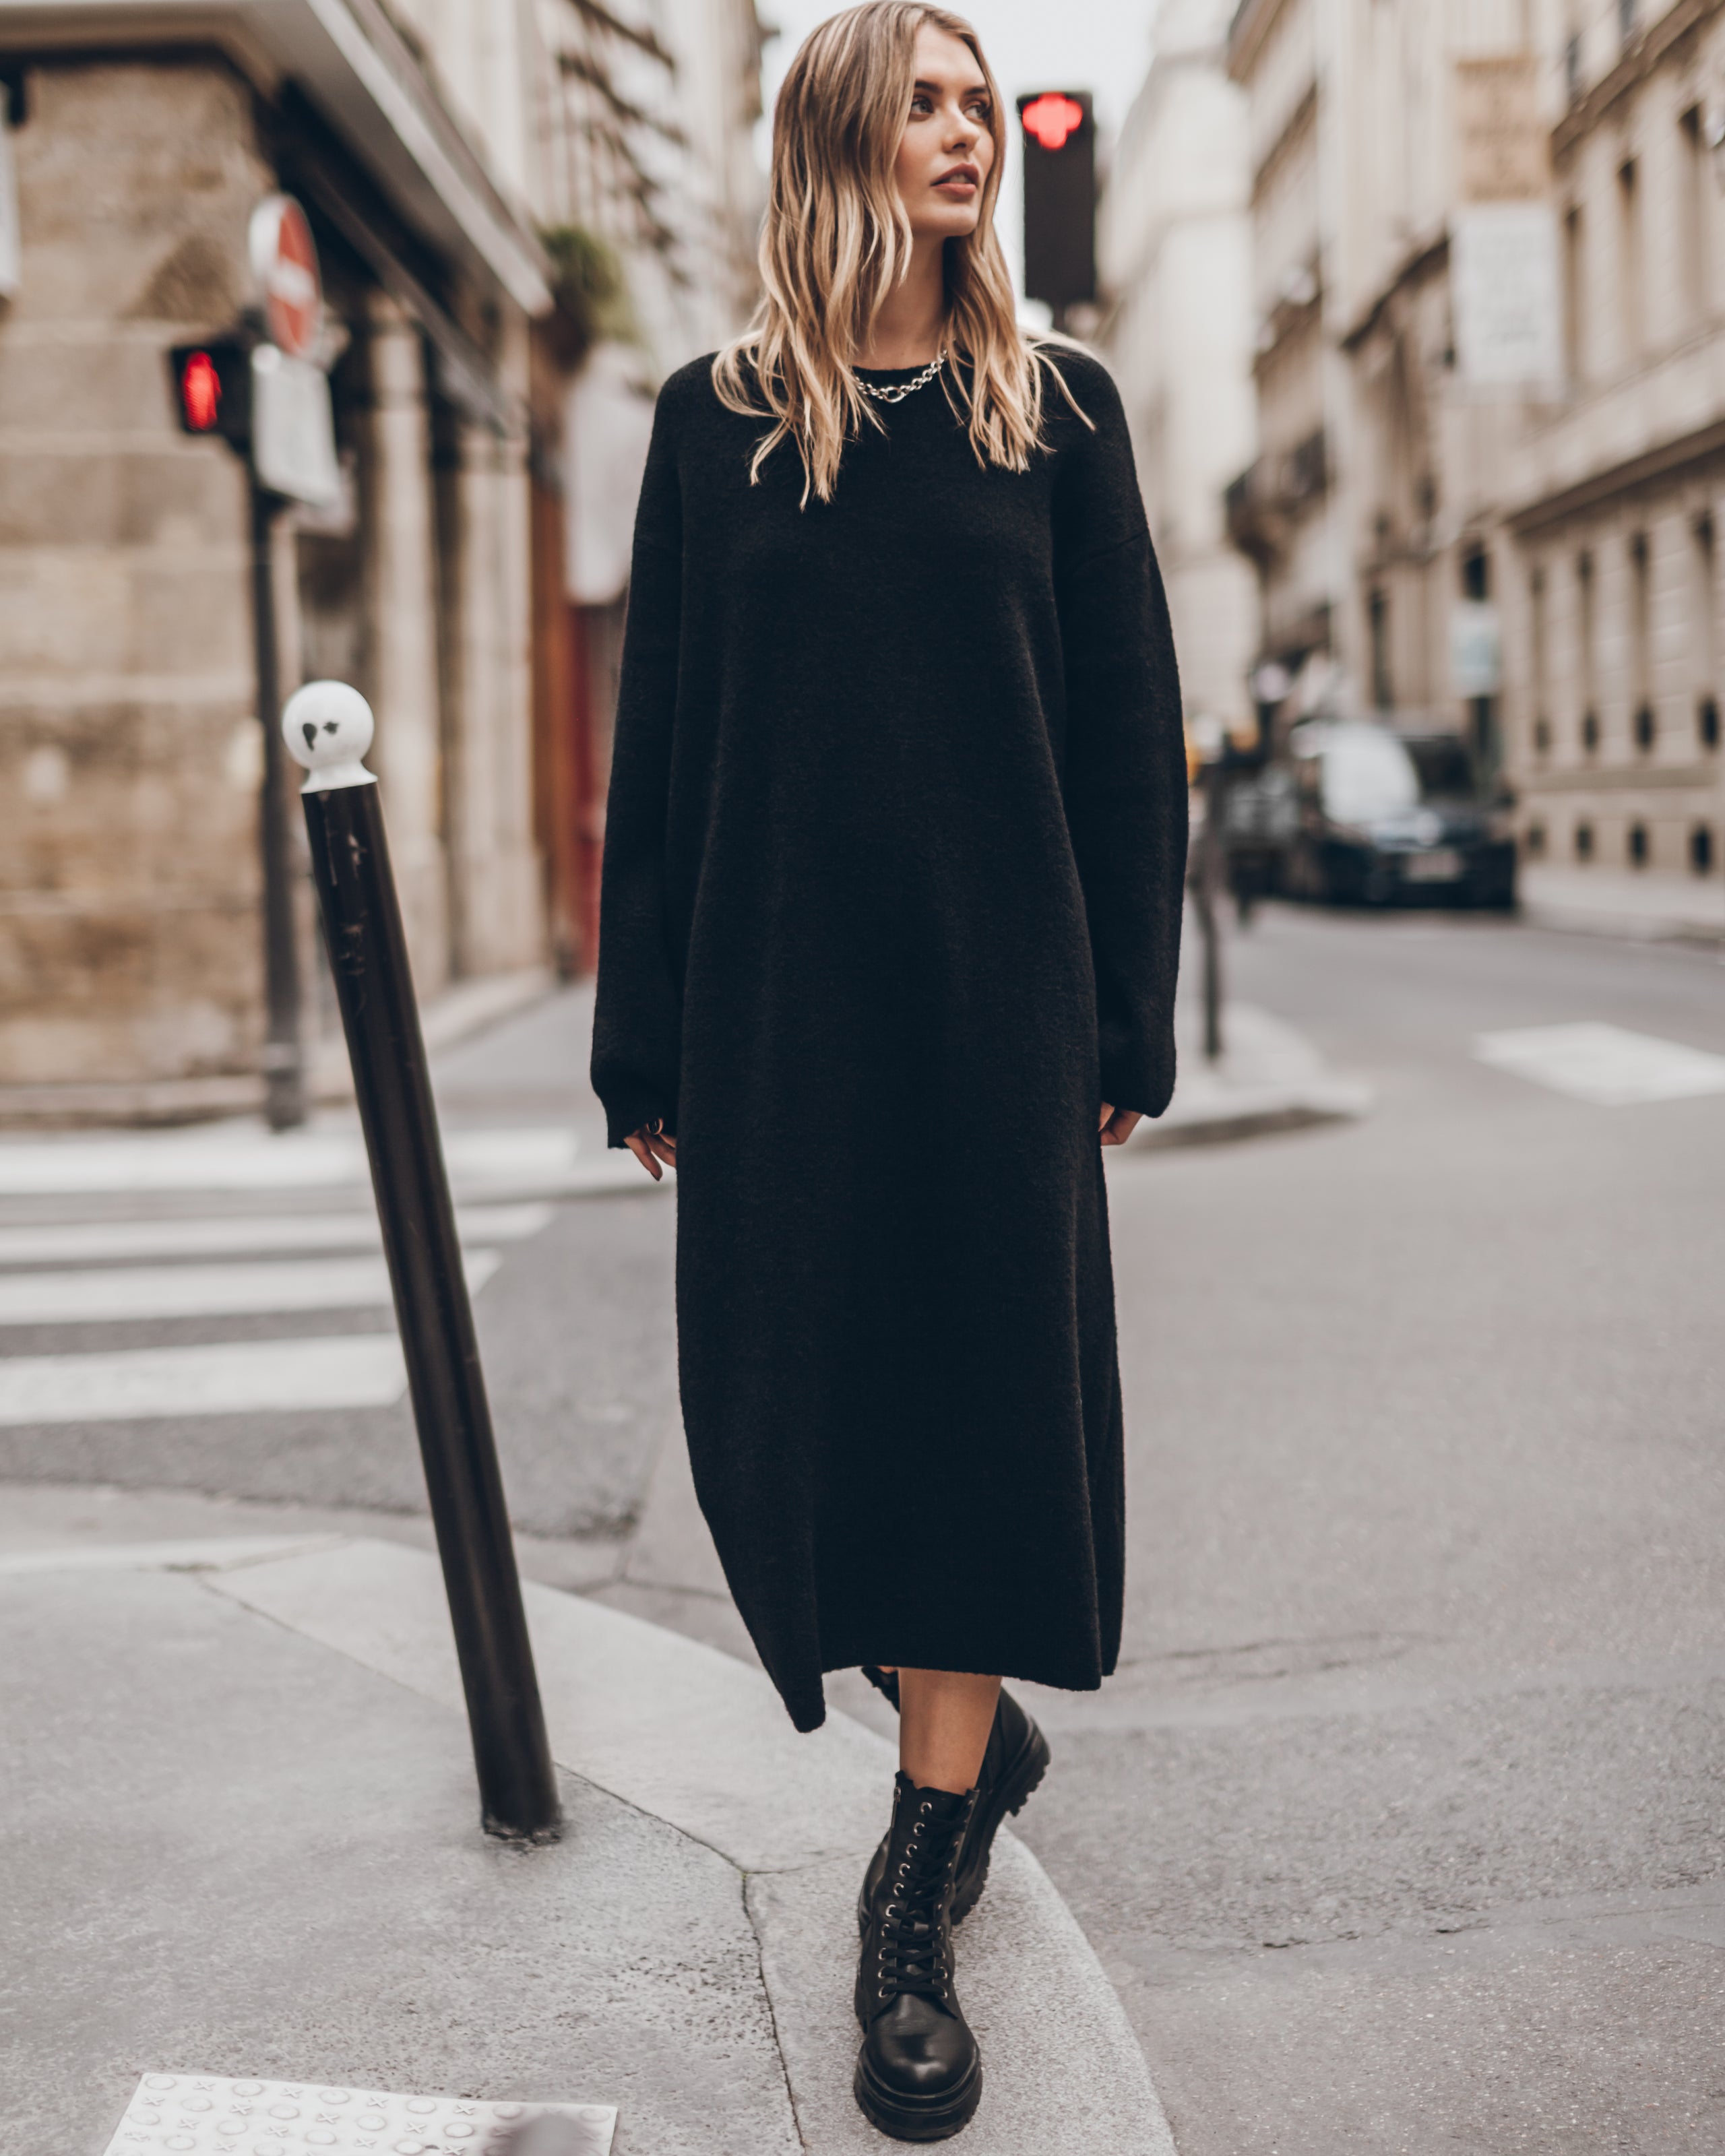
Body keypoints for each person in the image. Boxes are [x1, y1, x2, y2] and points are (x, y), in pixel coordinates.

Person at [590, 2, 1186, 2138]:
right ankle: (968, 1729)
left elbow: (1130, 733)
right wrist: (638, 1029)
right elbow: (661, 755)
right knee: (793, 1426)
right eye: (923, 102)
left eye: (976, 104)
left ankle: (917, 1889)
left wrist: (1130, 1009)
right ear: (840, 139)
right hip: (776, 1010)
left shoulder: (1065, 420)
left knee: (971, 1421)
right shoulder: (714, 423)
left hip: (994, 1004)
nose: (966, 133)